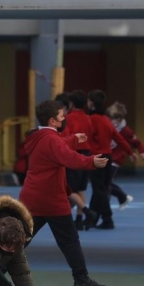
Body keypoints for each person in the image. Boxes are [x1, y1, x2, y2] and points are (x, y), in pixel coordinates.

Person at [19, 100, 108, 286]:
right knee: (69, 241)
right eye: (61, 116)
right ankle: (81, 279)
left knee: (20, 238)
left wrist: (74, 139)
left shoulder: (38, 136)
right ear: (53, 121)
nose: (64, 119)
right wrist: (92, 161)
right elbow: (69, 157)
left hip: (31, 197)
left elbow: (56, 144)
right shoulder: (51, 139)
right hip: (51, 200)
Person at [87, 90, 134, 230]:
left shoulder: (91, 120)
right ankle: (92, 219)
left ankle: (107, 219)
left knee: (99, 190)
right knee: (100, 189)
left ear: (90, 103)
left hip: (97, 157)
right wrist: (130, 152)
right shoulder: (106, 121)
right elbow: (119, 138)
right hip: (108, 157)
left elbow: (85, 137)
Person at [106, 102, 144, 210]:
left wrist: (142, 152)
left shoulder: (126, 131)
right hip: (106, 156)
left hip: (116, 159)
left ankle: (121, 197)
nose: (110, 120)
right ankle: (118, 199)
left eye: (112, 119)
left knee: (106, 182)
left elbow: (136, 142)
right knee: (105, 183)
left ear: (119, 119)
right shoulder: (108, 126)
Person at [64, 91, 96, 229]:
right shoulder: (88, 118)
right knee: (81, 188)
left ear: (71, 103)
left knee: (69, 188)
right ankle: (79, 218)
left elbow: (67, 137)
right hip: (86, 153)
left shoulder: (68, 118)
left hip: (74, 153)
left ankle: (87, 211)